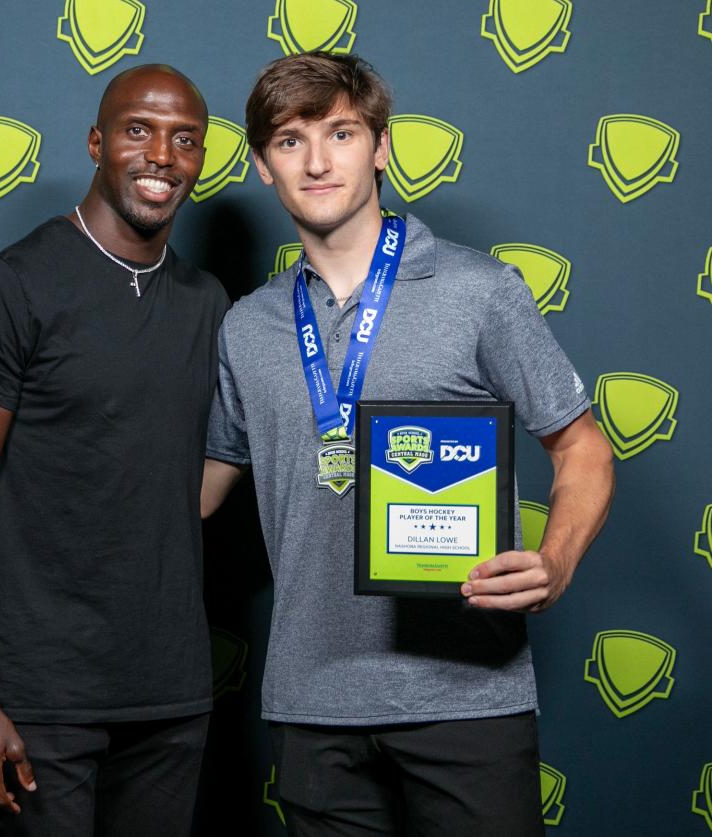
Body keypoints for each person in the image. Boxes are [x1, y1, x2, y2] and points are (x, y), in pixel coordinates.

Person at [202, 52, 614, 836]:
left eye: (341, 133)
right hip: (312, 702)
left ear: (382, 146)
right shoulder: (247, 326)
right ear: (261, 164)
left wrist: (555, 560)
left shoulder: (480, 291)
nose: (318, 160)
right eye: (290, 141)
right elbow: (197, 490)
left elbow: (584, 448)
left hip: (467, 697)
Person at [0, 64, 228, 837]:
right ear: (97, 141)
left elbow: (192, 480)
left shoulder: (209, 303)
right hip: (41, 705)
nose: (162, 154)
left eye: (184, 139)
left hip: (171, 701)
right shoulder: (17, 287)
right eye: (138, 130)